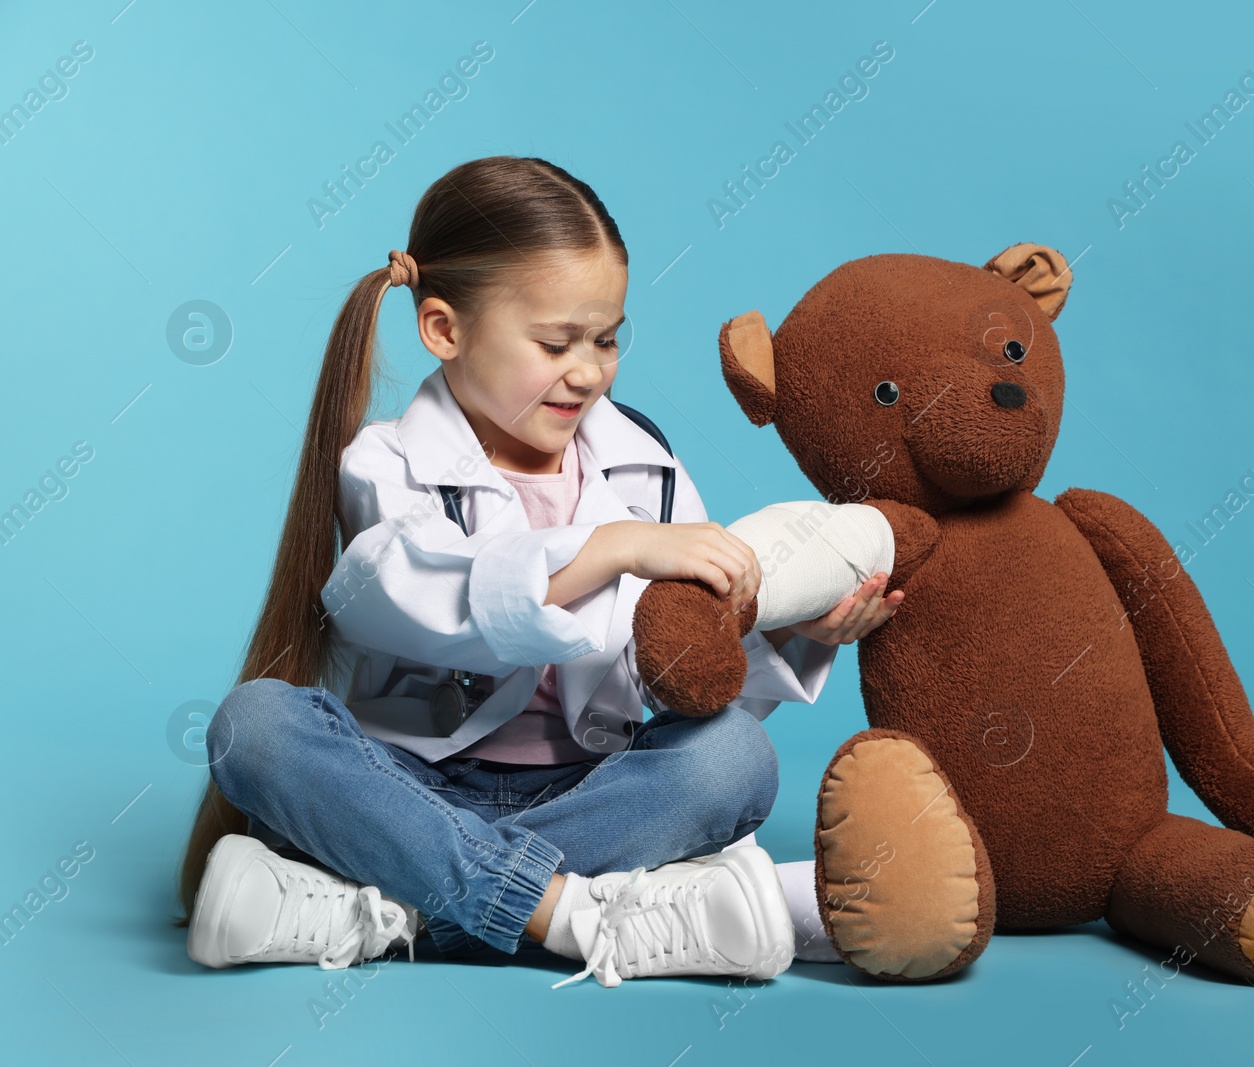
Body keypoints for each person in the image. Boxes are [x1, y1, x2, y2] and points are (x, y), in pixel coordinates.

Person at [172, 156, 902, 988]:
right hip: (412, 788)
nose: (588, 370)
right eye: (555, 342)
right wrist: (612, 551)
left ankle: (393, 912)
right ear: (445, 330)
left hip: (593, 789)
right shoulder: (387, 464)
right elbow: (419, 600)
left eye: (607, 338)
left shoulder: (644, 461)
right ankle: (578, 914)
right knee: (252, 726)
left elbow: (673, 670)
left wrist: (779, 628)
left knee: (735, 758)